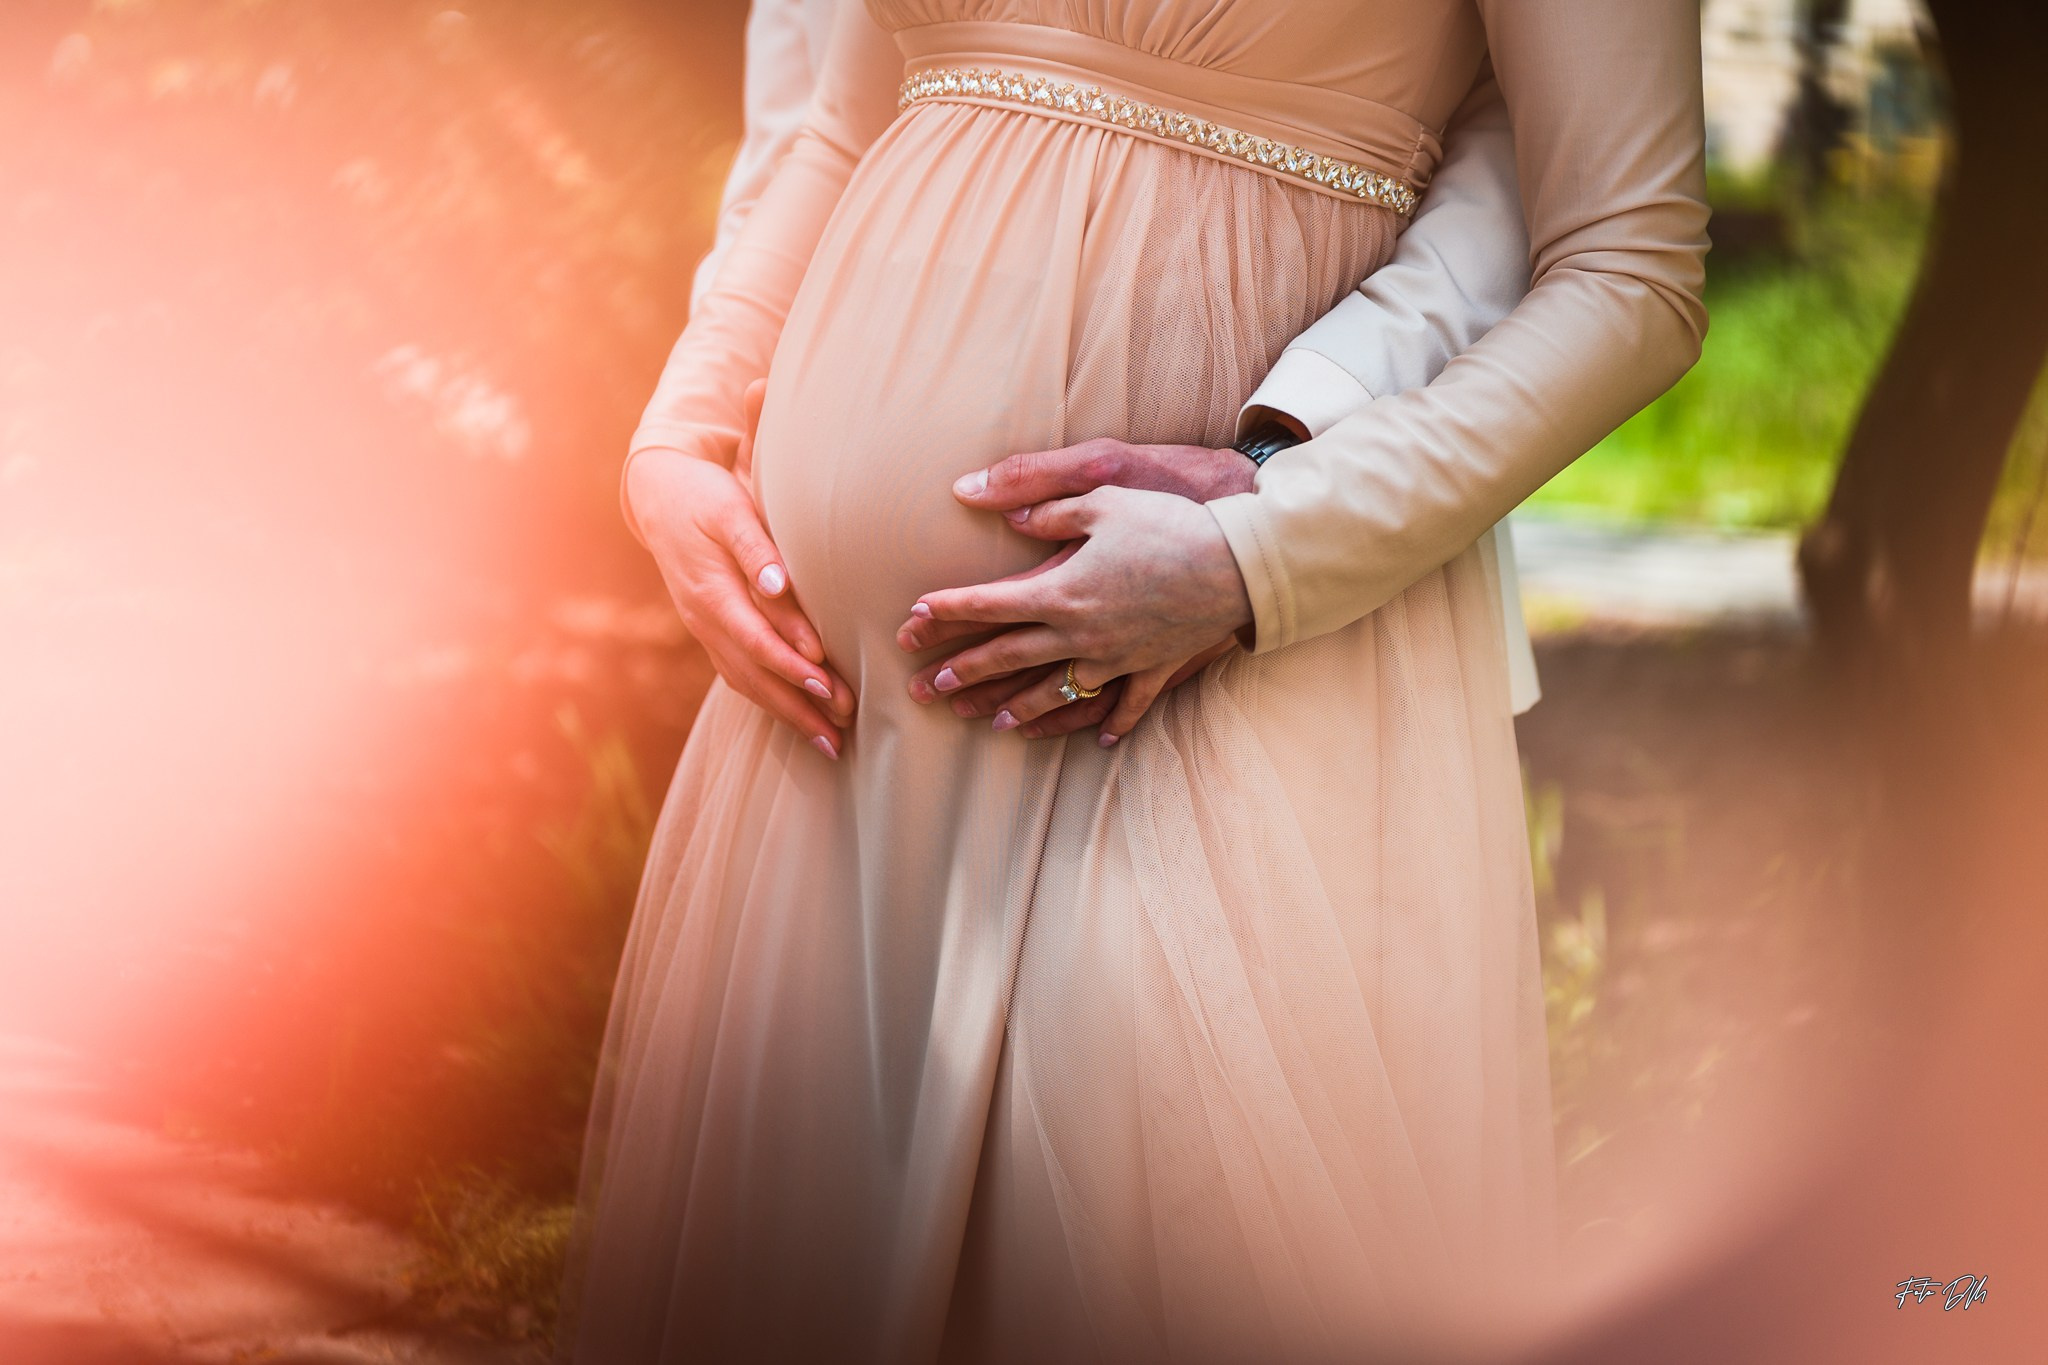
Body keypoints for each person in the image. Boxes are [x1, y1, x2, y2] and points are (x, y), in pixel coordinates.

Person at [561, 2, 1709, 1362]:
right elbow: (843, 120)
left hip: (1208, 672)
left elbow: (1631, 267)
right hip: (836, 723)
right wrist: (681, 430)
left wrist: (1259, 554)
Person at [682, 0, 1541, 728]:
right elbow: (830, 122)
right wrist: (683, 428)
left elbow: (1544, 188)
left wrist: (1275, 508)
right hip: (817, 686)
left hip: (1197, 634)